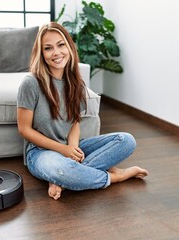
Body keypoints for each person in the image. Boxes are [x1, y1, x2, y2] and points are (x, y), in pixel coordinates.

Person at [17, 22, 148, 200]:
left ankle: (64, 179)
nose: (56, 52)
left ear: (69, 47)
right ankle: (114, 176)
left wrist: (72, 149)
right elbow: (24, 129)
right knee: (60, 169)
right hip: (41, 152)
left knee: (127, 141)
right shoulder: (31, 83)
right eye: (48, 48)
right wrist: (63, 150)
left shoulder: (76, 83)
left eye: (61, 45)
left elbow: (74, 123)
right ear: (41, 53)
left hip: (71, 146)